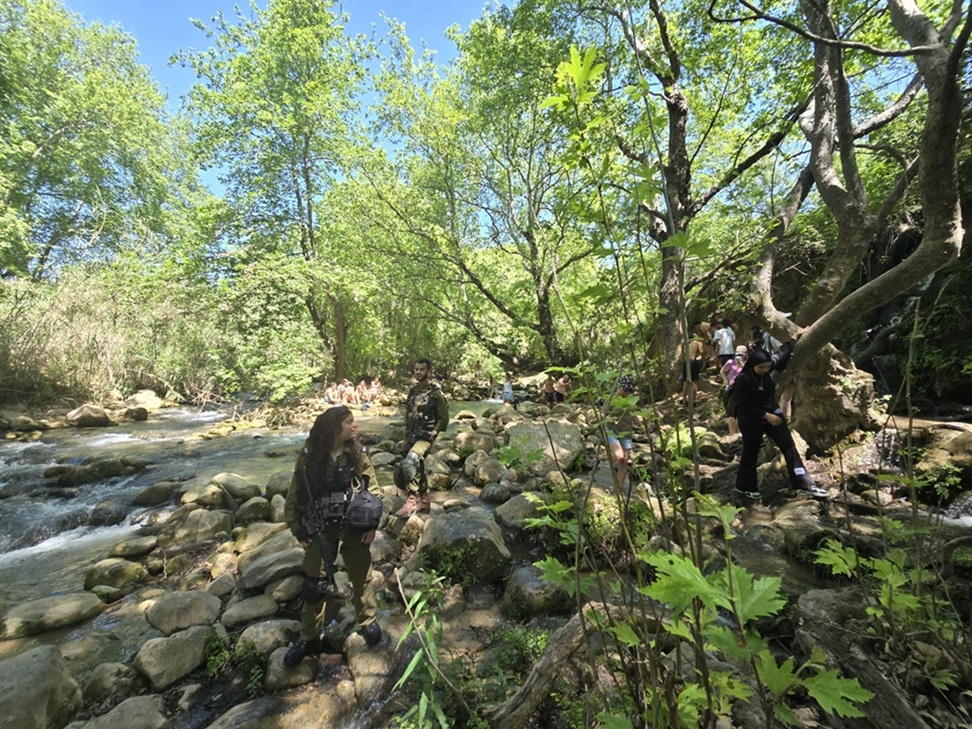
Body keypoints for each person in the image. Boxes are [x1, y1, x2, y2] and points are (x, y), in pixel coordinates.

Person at [282, 406, 383, 667]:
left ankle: (368, 621)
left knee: (361, 575)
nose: (355, 425)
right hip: (320, 528)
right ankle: (309, 638)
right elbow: (295, 495)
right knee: (314, 585)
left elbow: (375, 492)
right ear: (334, 427)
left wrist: (372, 524)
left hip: (354, 525)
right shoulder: (309, 457)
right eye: (350, 422)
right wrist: (297, 527)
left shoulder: (359, 455)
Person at [732, 333, 828, 501]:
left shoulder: (769, 367)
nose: (765, 370)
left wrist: (794, 338)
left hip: (773, 415)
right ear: (753, 364)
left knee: (788, 447)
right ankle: (745, 486)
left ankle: (804, 484)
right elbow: (744, 405)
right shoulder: (743, 379)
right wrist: (765, 415)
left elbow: (781, 353)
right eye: (761, 367)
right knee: (750, 452)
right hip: (751, 420)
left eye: (767, 367)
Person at [395, 358, 450, 517]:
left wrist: (434, 432)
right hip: (412, 434)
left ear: (429, 372)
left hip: (425, 436)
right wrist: (405, 437)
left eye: (422, 369)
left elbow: (444, 418)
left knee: (410, 462)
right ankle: (424, 500)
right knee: (416, 467)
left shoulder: (435, 395)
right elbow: (408, 416)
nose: (418, 372)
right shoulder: (412, 391)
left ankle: (411, 502)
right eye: (416, 369)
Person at [603, 375, 642, 488]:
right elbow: (603, 413)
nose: (626, 392)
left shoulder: (631, 401)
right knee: (620, 456)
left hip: (626, 432)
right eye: (625, 389)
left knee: (624, 462)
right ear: (620, 387)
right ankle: (603, 457)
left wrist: (643, 427)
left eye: (629, 390)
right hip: (612, 430)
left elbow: (634, 416)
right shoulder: (611, 398)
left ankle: (617, 490)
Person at [720, 345, 748, 436]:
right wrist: (725, 380)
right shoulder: (731, 362)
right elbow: (723, 371)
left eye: (742, 355)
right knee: (731, 411)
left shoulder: (748, 364)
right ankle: (732, 433)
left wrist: (743, 366)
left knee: (742, 410)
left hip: (743, 389)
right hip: (731, 387)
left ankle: (740, 431)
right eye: (738, 354)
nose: (739, 356)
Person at [679, 334, 705, 402]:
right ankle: (693, 400)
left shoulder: (686, 345)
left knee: (686, 382)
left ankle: (684, 400)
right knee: (694, 381)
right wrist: (702, 358)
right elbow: (702, 352)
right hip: (692, 362)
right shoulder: (697, 343)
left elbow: (682, 356)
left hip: (685, 361)